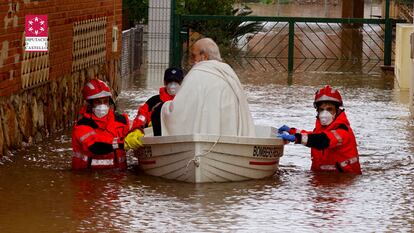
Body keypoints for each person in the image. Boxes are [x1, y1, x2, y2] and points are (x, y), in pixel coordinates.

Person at [160, 38, 256, 137]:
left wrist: (164, 108)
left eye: (193, 56)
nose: (191, 61)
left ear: (204, 56)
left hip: (202, 142)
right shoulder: (230, 73)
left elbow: (178, 112)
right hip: (230, 141)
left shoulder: (196, 74)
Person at [278, 85, 362, 174]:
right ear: (317, 111)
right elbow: (314, 135)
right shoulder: (322, 129)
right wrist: (292, 131)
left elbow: (323, 140)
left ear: (337, 111)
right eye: (321, 109)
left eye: (330, 109)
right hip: (322, 179)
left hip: (343, 180)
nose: (324, 113)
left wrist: (297, 138)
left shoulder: (343, 131)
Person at [71, 78, 140, 170]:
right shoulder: (82, 126)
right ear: (90, 104)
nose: (102, 105)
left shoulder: (121, 120)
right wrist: (123, 144)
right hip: (88, 178)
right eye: (98, 102)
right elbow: (96, 147)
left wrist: (139, 132)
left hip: (118, 179)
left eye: (105, 101)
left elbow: (136, 127)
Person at [131, 67, 184, 136]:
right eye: (170, 82)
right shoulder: (153, 102)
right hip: (155, 135)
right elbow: (141, 118)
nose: (173, 85)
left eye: (176, 82)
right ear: (165, 82)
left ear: (182, 83)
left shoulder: (186, 101)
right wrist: (139, 127)